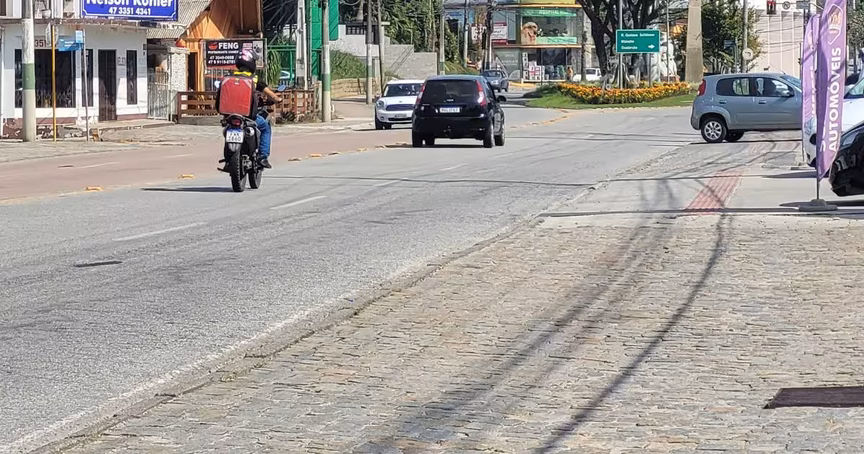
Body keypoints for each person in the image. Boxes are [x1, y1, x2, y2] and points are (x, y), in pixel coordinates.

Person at [227, 50, 281, 169]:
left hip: (230, 116)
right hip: (249, 117)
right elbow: (272, 96)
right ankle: (263, 156)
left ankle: (228, 158)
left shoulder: (228, 78)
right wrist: (278, 99)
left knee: (227, 130)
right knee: (265, 128)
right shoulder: (254, 80)